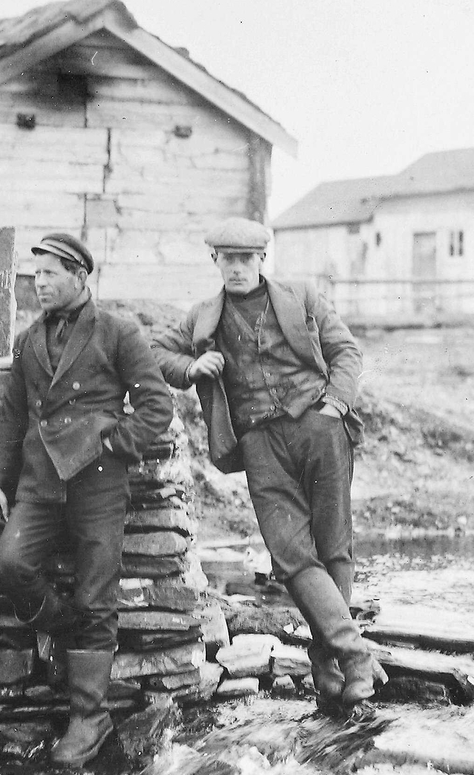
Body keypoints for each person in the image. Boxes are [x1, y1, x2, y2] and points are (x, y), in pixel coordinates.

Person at [150, 217, 383, 720]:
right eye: (227, 259)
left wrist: (336, 407)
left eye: (245, 259)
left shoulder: (301, 297)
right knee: (292, 555)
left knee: (333, 545)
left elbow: (346, 352)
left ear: (261, 260)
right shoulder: (203, 317)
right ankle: (354, 655)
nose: (236, 268)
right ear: (216, 262)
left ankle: (328, 664)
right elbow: (155, 351)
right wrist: (191, 369)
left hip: (320, 427)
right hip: (259, 444)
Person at [0, 233, 173, 767]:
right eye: (35, 274)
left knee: (97, 593)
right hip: (41, 482)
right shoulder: (27, 340)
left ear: (80, 277)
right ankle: (66, 630)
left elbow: (156, 406)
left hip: (97, 483)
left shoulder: (117, 332)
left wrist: (115, 444)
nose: (38, 283)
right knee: (8, 565)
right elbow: (13, 416)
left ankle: (88, 717)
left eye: (49, 274)